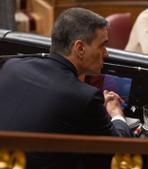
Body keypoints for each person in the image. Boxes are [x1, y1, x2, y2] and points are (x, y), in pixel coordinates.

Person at [0, 8, 131, 169]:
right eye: (102, 45)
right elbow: (119, 149)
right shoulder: (84, 97)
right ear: (80, 48)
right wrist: (116, 113)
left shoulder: (12, 66)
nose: (106, 54)